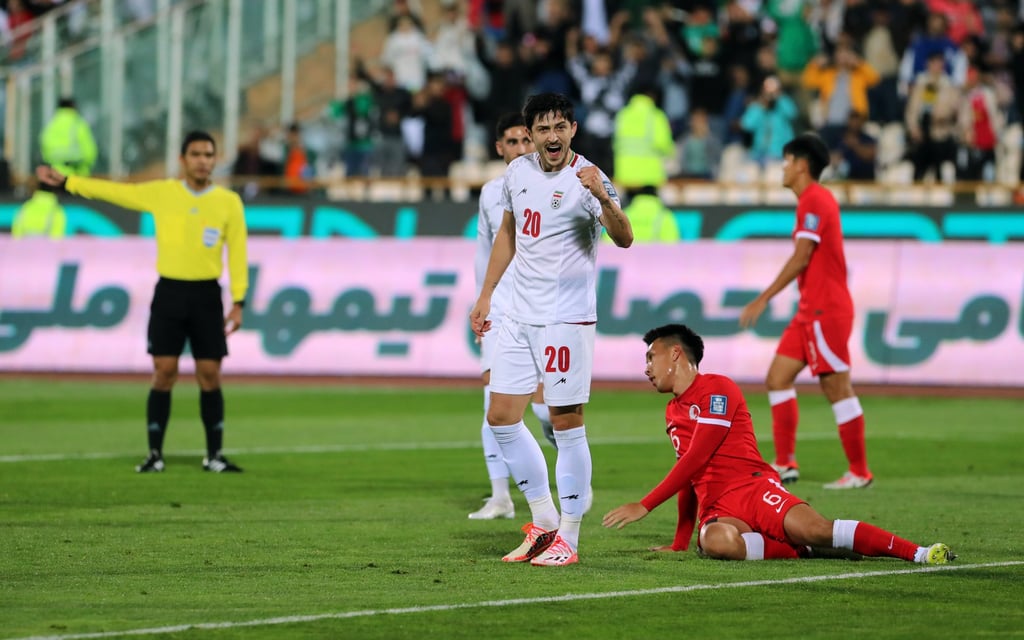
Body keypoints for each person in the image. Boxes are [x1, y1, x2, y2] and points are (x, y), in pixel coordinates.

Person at [602, 323, 956, 566]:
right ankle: (803, 551)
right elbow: (689, 475)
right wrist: (681, 541)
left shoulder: (718, 389)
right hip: (719, 507)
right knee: (716, 542)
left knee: (818, 529)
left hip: (753, 488)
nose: (646, 368)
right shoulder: (672, 411)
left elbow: (697, 456)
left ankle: (919, 553)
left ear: (676, 353)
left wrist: (645, 505)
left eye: (651, 357)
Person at [469, 92, 633, 566]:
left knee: (565, 422)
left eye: (560, 127)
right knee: (501, 416)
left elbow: (624, 237)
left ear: (573, 130)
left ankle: (570, 537)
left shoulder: (589, 177)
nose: (552, 136)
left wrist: (602, 196)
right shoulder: (517, 173)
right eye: (543, 129)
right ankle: (543, 521)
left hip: (565, 319)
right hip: (518, 316)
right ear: (531, 134)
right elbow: (508, 234)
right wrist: (486, 295)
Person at [35, 131, 248, 474]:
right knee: (164, 372)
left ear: (215, 160)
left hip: (207, 296)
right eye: (196, 154)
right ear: (183, 159)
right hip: (170, 293)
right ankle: (155, 454)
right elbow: (118, 192)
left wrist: (239, 301)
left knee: (210, 374)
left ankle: (214, 456)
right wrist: (69, 182)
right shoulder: (164, 193)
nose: (203, 161)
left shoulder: (228, 202)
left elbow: (238, 252)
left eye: (209, 155)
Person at [738, 133, 870, 489]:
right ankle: (785, 463)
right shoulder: (811, 200)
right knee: (777, 378)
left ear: (801, 164)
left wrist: (764, 297)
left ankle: (859, 472)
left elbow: (802, 257)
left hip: (826, 311)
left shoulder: (814, 199)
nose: (782, 168)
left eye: (786, 161)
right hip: (810, 310)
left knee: (836, 387)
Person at [470, 112, 547, 520]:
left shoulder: (552, 185)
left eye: (525, 140)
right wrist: (482, 300)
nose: (520, 149)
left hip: (543, 308)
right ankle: (500, 496)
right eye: (512, 142)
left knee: (549, 411)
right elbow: (485, 252)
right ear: (500, 148)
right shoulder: (489, 193)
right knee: (492, 398)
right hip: (501, 309)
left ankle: (576, 481)